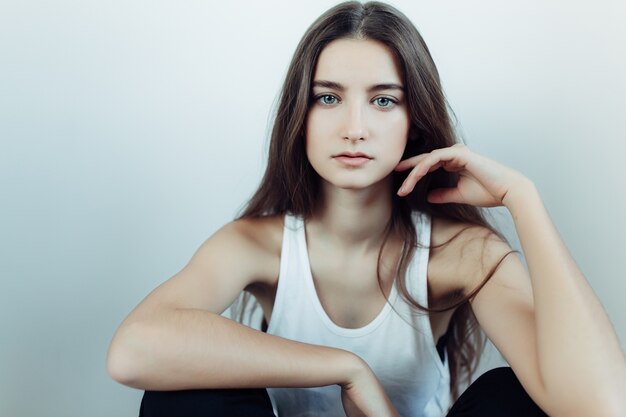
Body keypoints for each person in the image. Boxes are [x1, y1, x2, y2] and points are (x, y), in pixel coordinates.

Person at [106, 1, 626, 416]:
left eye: (383, 100)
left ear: (413, 122)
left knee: (513, 395)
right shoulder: (255, 245)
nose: (354, 127)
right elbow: (133, 351)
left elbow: (600, 406)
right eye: (328, 98)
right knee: (184, 395)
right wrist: (345, 367)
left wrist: (524, 201)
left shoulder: (459, 255)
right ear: (300, 117)